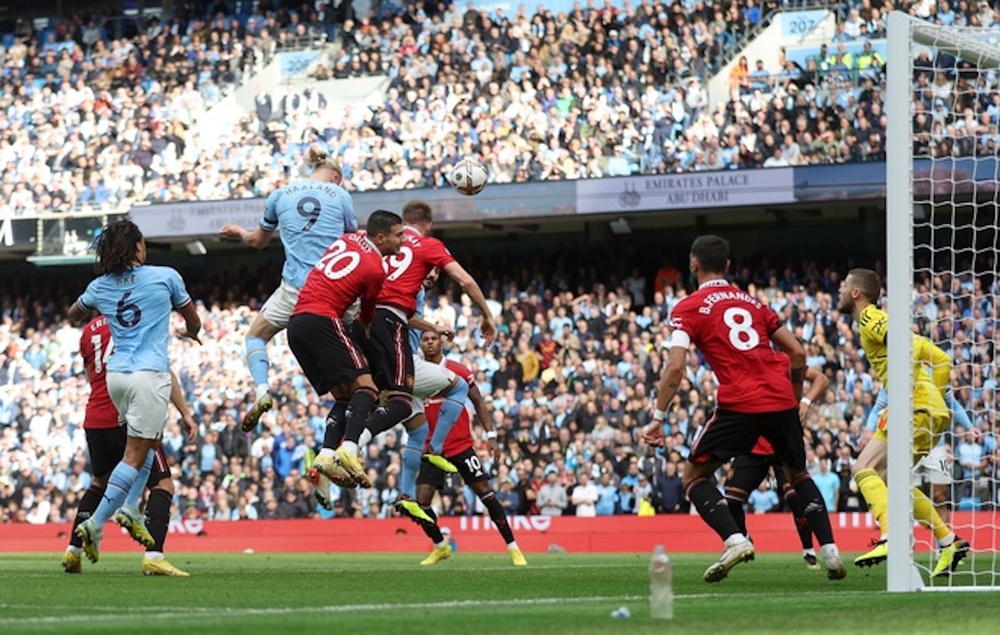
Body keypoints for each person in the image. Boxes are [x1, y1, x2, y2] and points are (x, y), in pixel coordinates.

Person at [642, 235, 845, 582]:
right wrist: (796, 397)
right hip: (781, 400)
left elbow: (675, 367)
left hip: (740, 402)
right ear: (729, 266)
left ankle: (735, 540)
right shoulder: (752, 302)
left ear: (693, 264)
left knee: (694, 476)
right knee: (799, 474)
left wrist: (658, 418)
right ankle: (831, 554)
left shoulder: (688, 307)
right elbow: (797, 353)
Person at [330, 200, 497, 512]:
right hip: (392, 335)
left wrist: (431, 324)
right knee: (437, 390)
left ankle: (334, 456)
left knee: (382, 405)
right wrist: (487, 317)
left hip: (357, 323)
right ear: (428, 225)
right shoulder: (426, 248)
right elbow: (465, 281)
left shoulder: (373, 243)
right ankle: (358, 446)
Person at [67, 219, 202, 563]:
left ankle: (126, 508)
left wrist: (96, 305)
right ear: (138, 247)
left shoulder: (100, 286)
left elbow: (72, 315)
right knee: (136, 455)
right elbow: (192, 317)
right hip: (148, 374)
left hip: (117, 380)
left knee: (143, 445)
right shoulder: (165, 276)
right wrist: (191, 330)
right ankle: (103, 521)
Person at [837, 268, 968, 576]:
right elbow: (942, 359)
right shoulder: (882, 322)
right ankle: (949, 541)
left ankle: (890, 535)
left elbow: (902, 348)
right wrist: (932, 397)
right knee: (891, 481)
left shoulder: (870, 318)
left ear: (856, 292)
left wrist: (911, 395)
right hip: (929, 411)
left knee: (861, 469)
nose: (840, 290)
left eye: (844, 285)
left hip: (913, 408)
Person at [219, 147, 356, 431]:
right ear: (334, 176)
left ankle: (261, 391)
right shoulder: (340, 195)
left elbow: (258, 241)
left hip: (294, 290)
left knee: (254, 337)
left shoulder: (280, 195)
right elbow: (353, 245)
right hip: (332, 290)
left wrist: (239, 233)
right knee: (361, 338)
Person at [62, 315, 196, 576]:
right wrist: (185, 412)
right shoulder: (137, 322)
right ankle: (154, 555)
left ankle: (73, 551)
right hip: (131, 415)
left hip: (96, 416)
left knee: (99, 482)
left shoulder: (89, 331)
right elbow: (162, 372)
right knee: (162, 483)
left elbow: (93, 375)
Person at [286, 210, 404, 488]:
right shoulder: (376, 268)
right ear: (380, 237)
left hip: (297, 324)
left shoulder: (349, 239)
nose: (402, 241)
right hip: (323, 320)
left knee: (344, 396)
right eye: (398, 235)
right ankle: (350, 450)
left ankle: (326, 454)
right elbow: (366, 315)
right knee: (368, 389)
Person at [413, 329, 526, 567]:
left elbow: (479, 402)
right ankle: (440, 546)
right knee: (421, 503)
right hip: (432, 449)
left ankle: (513, 548)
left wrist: (491, 436)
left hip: (461, 445)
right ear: (421, 343)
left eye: (434, 338)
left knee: (486, 494)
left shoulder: (458, 370)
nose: (430, 342)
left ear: (442, 342)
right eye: (426, 339)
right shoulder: (415, 374)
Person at [724, 366, 831, 570]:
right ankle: (743, 539)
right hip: (753, 444)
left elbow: (820, 378)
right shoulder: (742, 362)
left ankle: (808, 550)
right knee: (731, 498)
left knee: (795, 497)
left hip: (782, 443)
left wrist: (806, 402)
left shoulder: (783, 361)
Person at [867, 386, 973, 525]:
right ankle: (906, 545)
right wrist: (869, 429)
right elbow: (877, 409)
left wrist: (969, 426)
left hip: (935, 445)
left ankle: (944, 544)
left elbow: (953, 404)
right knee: (905, 499)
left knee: (939, 497)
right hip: (907, 447)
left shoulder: (936, 374)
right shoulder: (895, 378)